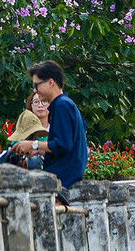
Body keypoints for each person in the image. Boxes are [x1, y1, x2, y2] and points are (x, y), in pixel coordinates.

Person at [15, 59, 86, 189]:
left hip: (63, 177)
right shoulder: (65, 103)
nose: (35, 90)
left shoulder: (61, 105)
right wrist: (39, 152)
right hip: (67, 173)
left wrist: (33, 144)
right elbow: (64, 149)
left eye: (36, 85)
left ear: (50, 82)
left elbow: (63, 145)